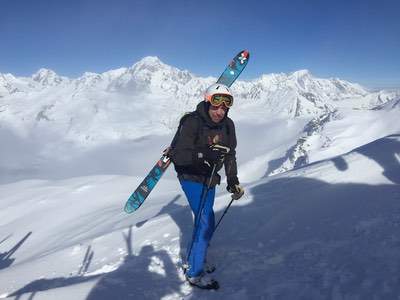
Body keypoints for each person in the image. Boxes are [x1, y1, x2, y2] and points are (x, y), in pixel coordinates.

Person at [169, 83, 244, 290]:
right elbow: (179, 155)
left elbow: (230, 155)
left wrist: (233, 181)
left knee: (207, 221)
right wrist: (205, 154)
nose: (220, 111)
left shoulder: (228, 125)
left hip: (210, 178)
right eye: (215, 106)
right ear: (207, 102)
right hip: (190, 176)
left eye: (224, 108)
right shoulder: (192, 122)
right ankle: (194, 272)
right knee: (204, 223)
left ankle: (195, 258)